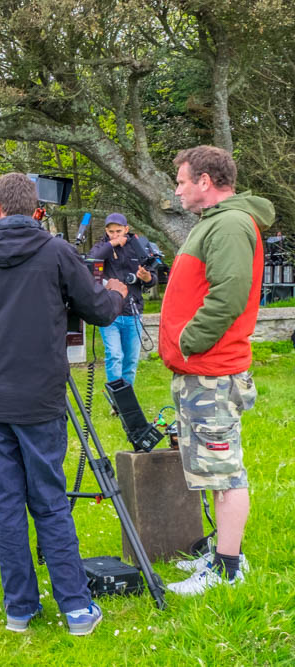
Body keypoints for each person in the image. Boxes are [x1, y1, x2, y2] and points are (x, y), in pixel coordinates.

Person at [0, 172, 127, 635]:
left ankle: (21, 609)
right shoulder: (57, 252)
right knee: (48, 500)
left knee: (4, 503)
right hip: (39, 396)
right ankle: (75, 607)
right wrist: (117, 290)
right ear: (34, 209)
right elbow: (99, 309)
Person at [160, 146, 273, 595]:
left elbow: (229, 295)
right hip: (201, 369)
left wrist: (189, 341)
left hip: (212, 369)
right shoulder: (215, 223)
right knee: (211, 467)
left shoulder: (228, 223)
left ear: (205, 181)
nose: (178, 189)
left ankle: (227, 568)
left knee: (224, 471)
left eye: (182, 181)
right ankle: (221, 555)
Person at [87, 213, 155, 387]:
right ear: (106, 231)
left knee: (131, 360)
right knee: (114, 355)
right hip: (110, 312)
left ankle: (126, 399)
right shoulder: (103, 246)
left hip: (133, 311)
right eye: (111, 232)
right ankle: (116, 398)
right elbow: (91, 260)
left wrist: (147, 278)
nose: (115, 235)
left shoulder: (139, 246)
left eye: (119, 231)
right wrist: (112, 244)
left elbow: (154, 275)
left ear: (126, 229)